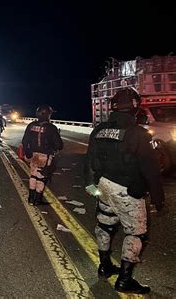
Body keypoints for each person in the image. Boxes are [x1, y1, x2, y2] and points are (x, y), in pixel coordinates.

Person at [84, 88, 165, 294]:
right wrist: (158, 198)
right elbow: (151, 169)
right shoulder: (138, 133)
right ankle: (124, 280)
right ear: (136, 107)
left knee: (105, 225)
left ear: (112, 106)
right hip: (127, 190)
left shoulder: (99, 129)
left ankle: (104, 266)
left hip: (102, 186)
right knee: (136, 232)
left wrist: (91, 187)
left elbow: (89, 161)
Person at [21, 105, 63, 205]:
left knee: (33, 175)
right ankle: (38, 199)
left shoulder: (31, 125)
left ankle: (31, 198)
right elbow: (59, 145)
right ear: (48, 115)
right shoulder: (51, 128)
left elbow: (24, 141)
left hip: (33, 155)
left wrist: (28, 153)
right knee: (41, 177)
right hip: (45, 156)